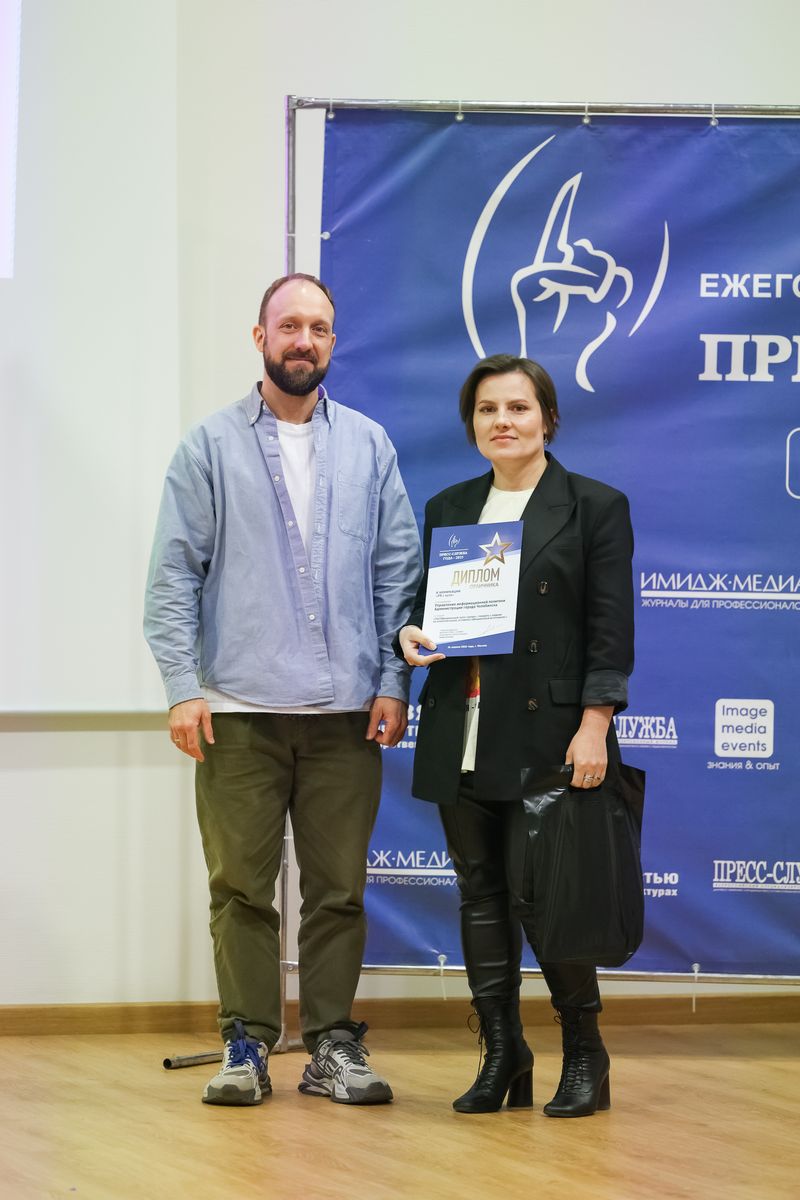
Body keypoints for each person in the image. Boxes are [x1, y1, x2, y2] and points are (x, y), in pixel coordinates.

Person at [144, 273, 421, 1107]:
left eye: (319, 328)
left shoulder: (369, 445)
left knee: (339, 892)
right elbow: (172, 575)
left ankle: (333, 1046)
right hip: (238, 712)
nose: (305, 340)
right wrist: (182, 687)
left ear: (334, 342)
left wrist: (393, 681)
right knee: (240, 890)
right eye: (290, 325)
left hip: (346, 714)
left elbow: (397, 572)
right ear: (259, 336)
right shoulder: (208, 446)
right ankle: (246, 1045)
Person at [398, 354, 634, 1117]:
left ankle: (585, 1053)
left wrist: (595, 724)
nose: (502, 421)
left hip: (551, 736)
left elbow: (609, 633)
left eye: (518, 407)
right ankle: (503, 1051)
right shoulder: (450, 506)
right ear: (472, 424)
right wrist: (409, 633)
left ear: (548, 419)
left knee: (551, 899)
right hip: (462, 726)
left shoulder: (594, 506)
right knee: (481, 895)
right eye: (487, 409)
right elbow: (425, 608)